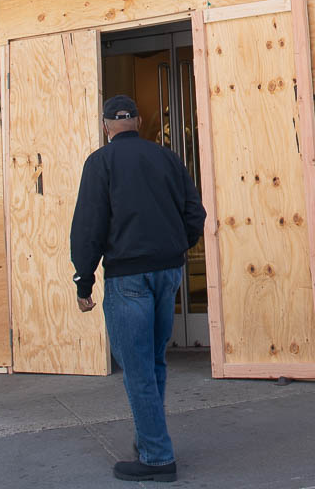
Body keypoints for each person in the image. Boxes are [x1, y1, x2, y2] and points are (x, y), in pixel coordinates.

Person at [72, 94, 207, 483]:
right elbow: (194, 213)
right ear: (139, 120)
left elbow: (89, 225)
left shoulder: (101, 162)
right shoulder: (166, 157)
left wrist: (84, 278)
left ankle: (156, 456)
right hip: (168, 273)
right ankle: (149, 439)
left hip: (127, 277)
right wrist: (176, 247)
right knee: (154, 362)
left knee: (136, 369)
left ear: (105, 126)